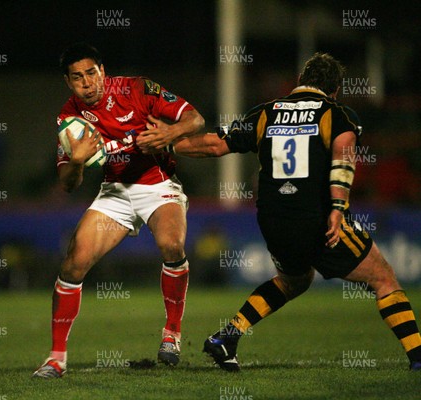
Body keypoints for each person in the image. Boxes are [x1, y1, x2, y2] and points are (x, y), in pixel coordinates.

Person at [138, 52, 421, 371]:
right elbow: (343, 159)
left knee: (294, 280)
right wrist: (338, 208)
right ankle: (418, 357)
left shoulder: (266, 113)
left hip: (271, 217)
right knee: (384, 279)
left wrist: (166, 144)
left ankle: (227, 337)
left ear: (301, 82)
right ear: (336, 90)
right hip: (315, 215)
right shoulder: (337, 113)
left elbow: (214, 144)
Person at [33, 43, 204, 378]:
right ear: (68, 82)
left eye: (91, 73)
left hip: (158, 184)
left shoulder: (137, 88)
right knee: (73, 264)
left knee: (172, 245)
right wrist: (78, 161)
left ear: (102, 70)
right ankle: (56, 359)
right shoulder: (70, 119)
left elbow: (195, 119)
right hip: (115, 193)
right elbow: (67, 185)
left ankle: (171, 333)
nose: (87, 82)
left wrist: (169, 133)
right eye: (77, 77)